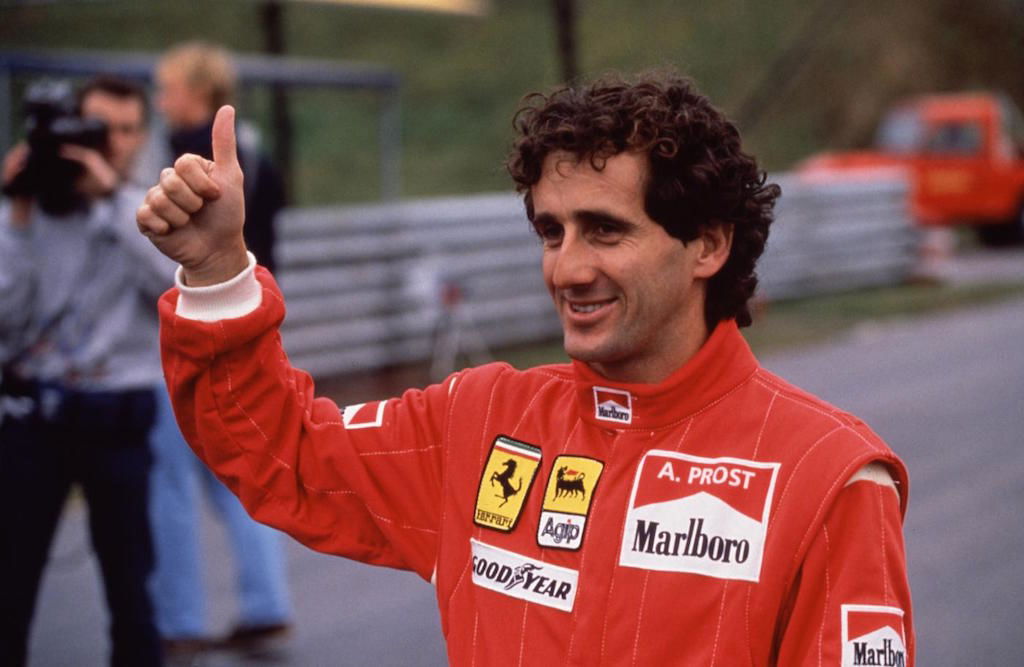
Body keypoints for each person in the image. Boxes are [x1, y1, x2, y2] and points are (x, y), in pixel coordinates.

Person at [137, 71, 915, 665]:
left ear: (707, 245)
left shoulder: (830, 476)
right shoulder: (479, 420)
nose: (567, 268)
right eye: (552, 231)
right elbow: (283, 454)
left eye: (604, 230)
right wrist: (218, 272)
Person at [0, 75, 169, 666]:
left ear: (141, 136)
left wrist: (115, 202)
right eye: (99, 128)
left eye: (125, 130)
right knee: (11, 584)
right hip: (35, 416)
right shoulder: (30, 207)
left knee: (132, 588)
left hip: (118, 416)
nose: (112, 142)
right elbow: (6, 320)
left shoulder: (148, 208)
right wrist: (16, 215)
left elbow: (172, 289)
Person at [148, 40, 294, 654]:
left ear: (198, 91)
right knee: (242, 469)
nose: (161, 102)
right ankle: (267, 602)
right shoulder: (256, 150)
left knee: (170, 482)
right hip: (251, 315)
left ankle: (179, 620)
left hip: (188, 324)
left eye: (169, 89)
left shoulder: (179, 157)